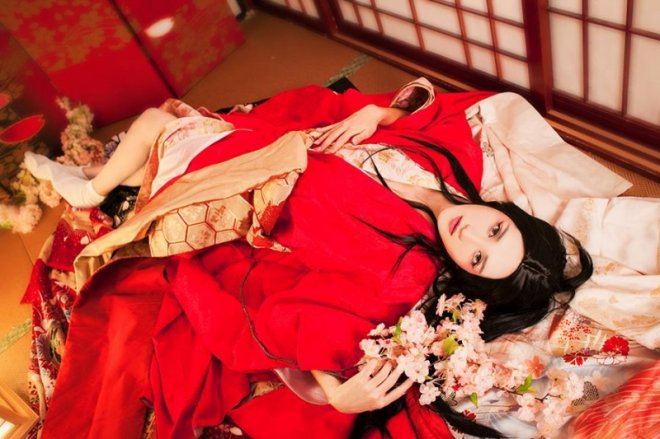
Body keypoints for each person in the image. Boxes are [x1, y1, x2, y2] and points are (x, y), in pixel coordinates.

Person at [27, 80, 592, 439]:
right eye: (496, 229)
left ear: (467, 273)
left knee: (156, 123)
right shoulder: (454, 168)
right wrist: (377, 115)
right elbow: (430, 107)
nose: (472, 235)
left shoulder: (407, 269)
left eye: (478, 258)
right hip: (279, 143)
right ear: (505, 213)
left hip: (245, 190)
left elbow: (315, 317)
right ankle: (110, 179)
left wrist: (333, 393)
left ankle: (90, 189)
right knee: (158, 132)